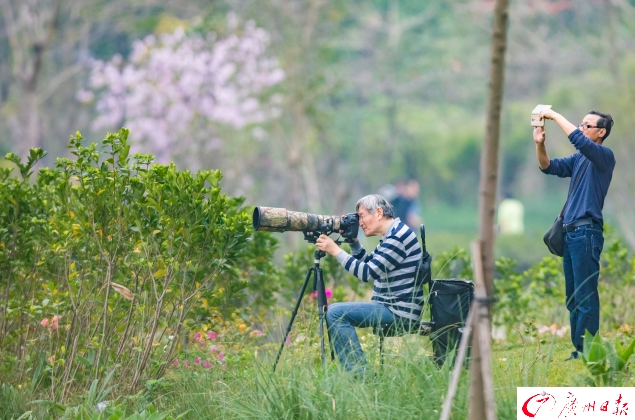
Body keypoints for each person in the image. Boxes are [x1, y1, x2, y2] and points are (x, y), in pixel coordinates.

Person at [534, 109, 615, 361]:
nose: (581, 129)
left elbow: (577, 140)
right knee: (573, 296)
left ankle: (588, 350)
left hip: (586, 232)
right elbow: (548, 167)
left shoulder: (604, 156)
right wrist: (540, 144)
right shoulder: (579, 159)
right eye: (580, 124)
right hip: (571, 234)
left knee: (585, 294)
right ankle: (578, 348)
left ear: (601, 132)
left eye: (587, 126)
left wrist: (554, 115)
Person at [315, 194, 423, 372]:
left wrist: (335, 250)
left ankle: (361, 376)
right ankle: (360, 373)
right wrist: (353, 241)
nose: (360, 222)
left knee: (336, 313)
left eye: (362, 216)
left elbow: (367, 273)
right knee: (336, 312)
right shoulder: (393, 234)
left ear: (379, 212)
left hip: (398, 311)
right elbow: (370, 264)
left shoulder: (397, 237)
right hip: (392, 307)